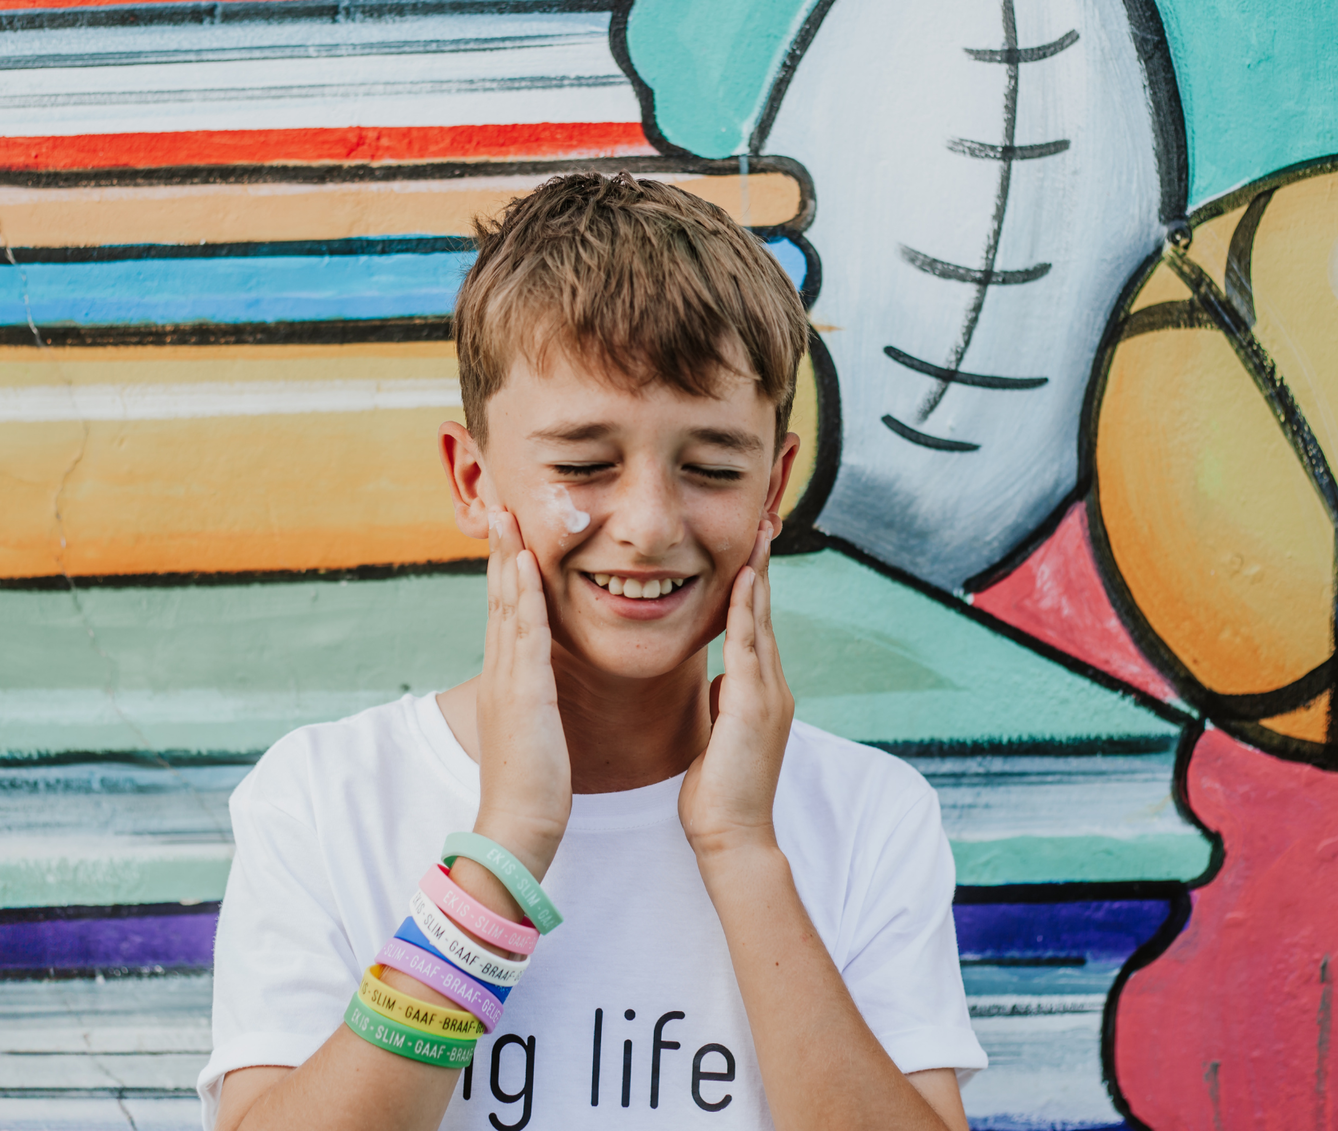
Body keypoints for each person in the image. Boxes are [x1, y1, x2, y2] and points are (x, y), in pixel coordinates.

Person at [198, 172, 985, 1130]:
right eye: (582, 464)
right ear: (474, 479)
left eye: (712, 468)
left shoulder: (868, 818)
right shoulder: (325, 798)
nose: (649, 526)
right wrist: (503, 847)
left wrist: (741, 848)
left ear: (773, 488)